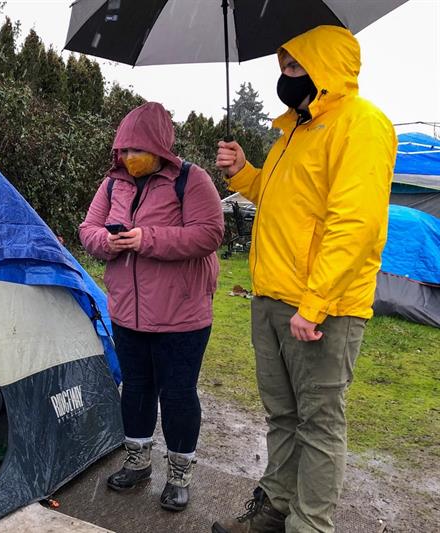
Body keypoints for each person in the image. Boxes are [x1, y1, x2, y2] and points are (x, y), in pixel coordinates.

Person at [212, 26, 397, 533]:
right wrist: (243, 172)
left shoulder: (361, 125)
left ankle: (309, 525)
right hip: (271, 297)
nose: (284, 77)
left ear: (324, 68)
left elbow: (354, 224)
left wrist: (314, 304)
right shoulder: (295, 130)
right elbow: (280, 204)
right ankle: (275, 510)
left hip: (321, 310)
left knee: (319, 425)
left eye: (294, 67)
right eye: (283, 67)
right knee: (283, 418)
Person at [79, 101, 223, 512]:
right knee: (137, 389)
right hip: (127, 311)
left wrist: (148, 239)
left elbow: (209, 234)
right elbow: (88, 228)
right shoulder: (113, 184)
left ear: (158, 147)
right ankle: (139, 460)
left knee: (178, 394)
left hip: (182, 315)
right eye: (122, 150)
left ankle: (179, 472)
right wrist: (109, 242)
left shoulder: (191, 181)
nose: (127, 157)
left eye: (135, 149)